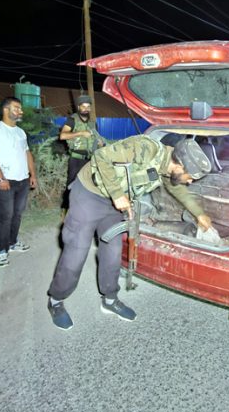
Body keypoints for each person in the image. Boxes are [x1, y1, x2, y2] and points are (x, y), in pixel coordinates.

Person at [46, 135, 213, 330]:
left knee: (113, 252)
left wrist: (199, 213)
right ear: (179, 166)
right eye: (190, 176)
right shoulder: (145, 148)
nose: (190, 181)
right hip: (89, 194)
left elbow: (179, 191)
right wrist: (117, 195)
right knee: (77, 251)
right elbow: (101, 156)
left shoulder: (167, 169)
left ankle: (109, 299)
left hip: (117, 203)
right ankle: (56, 299)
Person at [0, 97, 38, 267]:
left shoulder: (20, 132)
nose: (20, 111)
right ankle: (2, 250)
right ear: (6, 110)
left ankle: (13, 242)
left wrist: (33, 174)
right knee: (5, 216)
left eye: (20, 108)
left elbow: (27, 154)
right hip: (5, 182)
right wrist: (1, 178)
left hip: (22, 181)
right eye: (17, 108)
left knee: (17, 214)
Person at [59, 94, 105, 206]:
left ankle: (85, 207)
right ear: (79, 107)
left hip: (89, 160)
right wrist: (80, 133)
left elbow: (97, 139)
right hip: (76, 159)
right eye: (83, 106)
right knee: (71, 185)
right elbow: (62, 136)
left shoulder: (92, 123)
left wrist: (99, 143)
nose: (85, 109)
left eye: (88, 107)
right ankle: (67, 210)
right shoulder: (72, 120)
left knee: (89, 184)